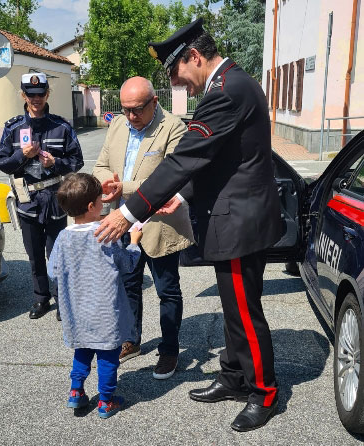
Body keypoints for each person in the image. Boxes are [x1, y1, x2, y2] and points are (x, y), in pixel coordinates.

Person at [95, 19, 283, 432]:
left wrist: (129, 212)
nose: (182, 85)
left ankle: (264, 392)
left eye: (178, 73)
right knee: (234, 308)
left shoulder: (226, 91)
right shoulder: (231, 84)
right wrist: (180, 197)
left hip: (239, 223)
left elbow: (184, 159)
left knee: (245, 314)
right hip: (235, 216)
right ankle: (234, 377)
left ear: (194, 57)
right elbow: (217, 159)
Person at [92, 76, 193, 379]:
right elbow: (100, 164)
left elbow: (170, 178)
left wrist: (123, 187)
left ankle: (170, 350)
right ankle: (131, 340)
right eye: (125, 110)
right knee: (127, 285)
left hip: (160, 224)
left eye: (137, 109)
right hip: (122, 222)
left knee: (167, 290)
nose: (131, 117)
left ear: (154, 102)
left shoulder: (174, 127)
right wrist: (105, 182)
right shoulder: (118, 125)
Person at [48, 173, 142, 419]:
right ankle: (105, 401)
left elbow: (53, 271)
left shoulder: (63, 237)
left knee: (82, 352)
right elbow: (127, 264)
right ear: (92, 206)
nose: (103, 203)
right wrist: (133, 242)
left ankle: (76, 393)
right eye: (101, 200)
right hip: (104, 312)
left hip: (77, 311)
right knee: (108, 357)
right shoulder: (106, 235)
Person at [0, 73, 83, 320]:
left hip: (55, 200)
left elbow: (77, 161)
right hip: (27, 201)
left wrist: (56, 162)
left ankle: (62, 300)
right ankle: (41, 299)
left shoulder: (61, 126)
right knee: (35, 256)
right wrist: (23, 156)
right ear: (23, 95)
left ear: (47, 94)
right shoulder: (13, 128)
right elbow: (1, 163)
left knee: (56, 255)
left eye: (40, 94)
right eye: (30, 94)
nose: (36, 99)